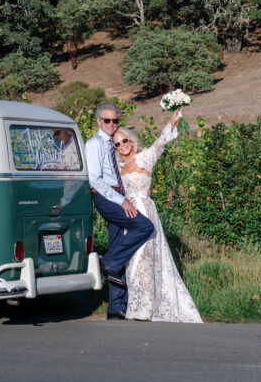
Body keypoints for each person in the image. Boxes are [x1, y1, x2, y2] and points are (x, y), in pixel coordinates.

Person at [112, 109, 202, 323]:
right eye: (117, 143)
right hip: (128, 214)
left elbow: (160, 142)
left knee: (146, 256)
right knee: (133, 259)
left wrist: (172, 121)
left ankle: (148, 307)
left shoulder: (145, 158)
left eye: (124, 140)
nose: (122, 145)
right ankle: (137, 306)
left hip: (144, 211)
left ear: (131, 141)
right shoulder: (118, 167)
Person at [85, 103, 154, 320]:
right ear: (98, 121)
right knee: (144, 226)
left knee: (117, 245)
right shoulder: (95, 144)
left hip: (116, 195)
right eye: (107, 121)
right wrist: (121, 200)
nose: (112, 124)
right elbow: (94, 178)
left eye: (115, 120)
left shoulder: (112, 143)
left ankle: (116, 308)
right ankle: (106, 262)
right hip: (106, 197)